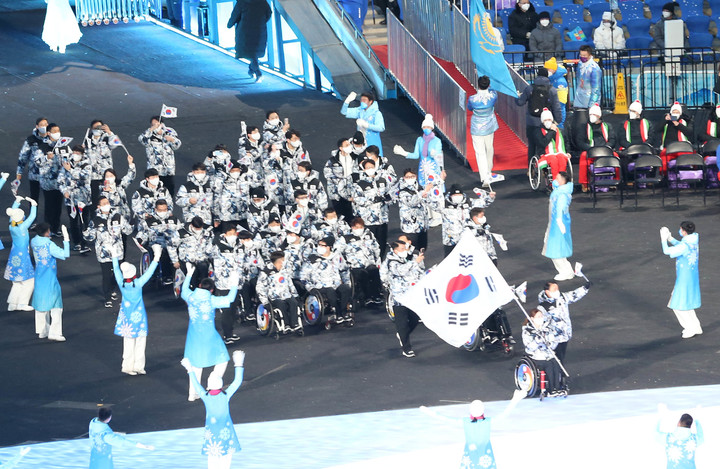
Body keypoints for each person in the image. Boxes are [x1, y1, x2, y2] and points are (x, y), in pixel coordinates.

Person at [419, 391, 526, 469]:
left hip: (475, 453)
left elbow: (446, 419)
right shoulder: (486, 421)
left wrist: (430, 412)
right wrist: (514, 400)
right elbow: (504, 414)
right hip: (482, 454)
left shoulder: (468, 422)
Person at [181, 263, 239, 401]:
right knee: (222, 358)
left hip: (193, 336)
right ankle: (212, 382)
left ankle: (193, 393)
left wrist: (189, 274)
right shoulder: (211, 300)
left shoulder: (190, 296)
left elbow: (183, 289)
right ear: (212, 290)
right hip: (209, 336)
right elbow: (229, 299)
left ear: (200, 286)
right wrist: (234, 284)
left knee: (195, 365)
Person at [181, 349, 245, 469]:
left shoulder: (206, 396)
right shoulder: (225, 395)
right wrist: (238, 364)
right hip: (226, 429)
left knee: (212, 455)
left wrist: (190, 370)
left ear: (208, 385)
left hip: (212, 431)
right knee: (227, 453)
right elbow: (237, 382)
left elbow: (196, 385)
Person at [112, 245, 162, 375]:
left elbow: (116, 269)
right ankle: (138, 366)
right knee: (140, 341)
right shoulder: (138, 284)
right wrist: (156, 256)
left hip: (126, 317)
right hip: (139, 317)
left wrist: (113, 255)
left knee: (128, 342)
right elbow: (149, 272)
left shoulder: (121, 282)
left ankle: (127, 366)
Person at [83, 197, 134, 308]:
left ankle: (112, 289)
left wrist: (132, 223)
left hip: (117, 251)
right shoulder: (95, 220)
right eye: (104, 203)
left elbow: (127, 231)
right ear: (99, 206)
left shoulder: (118, 217)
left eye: (107, 202)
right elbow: (90, 237)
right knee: (106, 275)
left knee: (118, 274)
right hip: (104, 252)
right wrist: (85, 232)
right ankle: (107, 297)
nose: (107, 204)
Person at [379, 240, 425, 358]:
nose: (405, 251)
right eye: (401, 249)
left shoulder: (406, 259)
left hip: (411, 295)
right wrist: (415, 262)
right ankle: (407, 348)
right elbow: (400, 271)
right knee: (402, 323)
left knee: (415, 319)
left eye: (405, 248)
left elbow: (416, 273)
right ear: (395, 251)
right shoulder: (391, 262)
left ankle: (403, 335)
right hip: (399, 297)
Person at [660, 222, 702, 339]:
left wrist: (664, 240)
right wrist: (671, 238)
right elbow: (681, 245)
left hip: (684, 279)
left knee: (677, 305)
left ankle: (690, 328)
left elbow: (667, 251)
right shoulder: (693, 240)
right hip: (691, 277)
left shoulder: (685, 245)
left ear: (683, 231)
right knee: (687, 303)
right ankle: (696, 326)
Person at [30, 223, 70, 341]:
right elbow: (65, 254)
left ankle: (42, 330)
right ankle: (55, 333)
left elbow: (41, 241)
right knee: (56, 306)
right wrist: (66, 239)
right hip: (50, 278)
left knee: (41, 303)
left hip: (39, 276)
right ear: (47, 232)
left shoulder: (33, 241)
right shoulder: (49, 244)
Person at [299, 236, 353, 321]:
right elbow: (303, 276)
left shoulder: (336, 256)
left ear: (329, 247)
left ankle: (343, 311)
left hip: (335, 284)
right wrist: (310, 287)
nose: (319, 247)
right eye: (319, 245)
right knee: (330, 291)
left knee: (345, 289)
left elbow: (344, 270)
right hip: (319, 286)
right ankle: (337, 313)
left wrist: (346, 282)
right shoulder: (312, 258)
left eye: (322, 245)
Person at [432, 184, 495, 257]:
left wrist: (490, 197)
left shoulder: (469, 202)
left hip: (466, 238)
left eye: (459, 194)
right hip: (450, 240)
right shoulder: (443, 204)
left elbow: (483, 203)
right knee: (450, 262)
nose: (457, 197)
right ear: (451, 195)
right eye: (455, 195)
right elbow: (432, 204)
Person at [537, 279, 589, 363]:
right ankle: (558, 373)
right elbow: (541, 323)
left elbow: (573, 295)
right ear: (547, 291)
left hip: (565, 334)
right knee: (556, 358)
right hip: (554, 338)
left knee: (561, 356)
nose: (557, 291)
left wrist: (584, 288)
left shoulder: (561, 297)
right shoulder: (543, 307)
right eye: (554, 289)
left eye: (557, 289)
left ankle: (559, 373)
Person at [516, 68, 562, 163]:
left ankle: (531, 170)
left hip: (531, 122)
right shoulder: (552, 90)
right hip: (546, 123)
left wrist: (517, 96)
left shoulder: (529, 88)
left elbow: (520, 102)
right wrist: (558, 120)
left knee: (532, 146)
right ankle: (546, 166)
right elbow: (556, 107)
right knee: (545, 144)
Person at [88, 407, 154, 469]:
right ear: (109, 418)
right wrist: (143, 446)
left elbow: (100, 433)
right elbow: (123, 441)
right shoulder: (106, 435)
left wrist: (114, 433)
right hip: (102, 461)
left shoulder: (93, 422)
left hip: (94, 457)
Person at [522, 306, 565, 396]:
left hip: (548, 355)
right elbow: (529, 347)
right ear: (532, 319)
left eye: (541, 316)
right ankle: (551, 389)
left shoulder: (546, 329)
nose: (541, 319)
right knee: (549, 364)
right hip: (536, 357)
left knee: (556, 363)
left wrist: (550, 343)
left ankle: (557, 388)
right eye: (538, 317)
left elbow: (554, 342)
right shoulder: (527, 331)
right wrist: (537, 341)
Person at [35, 122, 69, 236]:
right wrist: (46, 157)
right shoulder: (42, 147)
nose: (57, 133)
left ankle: (55, 228)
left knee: (58, 207)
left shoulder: (63, 145)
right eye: (54, 131)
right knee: (49, 207)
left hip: (60, 182)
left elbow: (70, 158)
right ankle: (47, 230)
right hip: (47, 183)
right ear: (48, 133)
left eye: (58, 131)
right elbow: (37, 162)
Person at [467, 76, 501, 187]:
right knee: (489, 148)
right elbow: (493, 91)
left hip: (477, 127)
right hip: (489, 126)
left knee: (480, 152)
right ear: (489, 85)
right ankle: (489, 171)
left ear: (478, 84)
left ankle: (485, 177)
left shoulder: (472, 99)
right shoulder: (493, 96)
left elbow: (470, 108)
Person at [57, 145, 92, 252]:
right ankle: (76, 242)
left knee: (84, 221)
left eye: (78, 153)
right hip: (70, 199)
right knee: (73, 221)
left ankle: (84, 243)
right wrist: (64, 191)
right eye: (74, 152)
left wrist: (71, 170)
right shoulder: (66, 164)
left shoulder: (86, 164)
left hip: (83, 198)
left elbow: (83, 176)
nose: (76, 155)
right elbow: (60, 180)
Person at [212, 223, 243, 344]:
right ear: (225, 234)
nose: (233, 235)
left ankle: (231, 332)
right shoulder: (218, 246)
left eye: (234, 233)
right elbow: (217, 266)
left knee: (233, 309)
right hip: (224, 284)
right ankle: (226, 335)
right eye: (230, 233)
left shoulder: (239, 244)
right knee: (226, 310)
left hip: (236, 283)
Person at [4, 196, 37, 312]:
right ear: (21, 218)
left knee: (17, 282)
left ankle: (12, 304)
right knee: (29, 281)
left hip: (14, 256)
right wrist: (33, 205)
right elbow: (32, 217)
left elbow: (12, 214)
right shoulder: (22, 227)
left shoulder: (11, 225)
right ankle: (22, 303)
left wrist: (17, 201)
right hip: (22, 256)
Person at [256, 251, 301, 332]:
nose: (284, 262)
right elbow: (260, 287)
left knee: (293, 302)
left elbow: (290, 283)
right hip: (274, 297)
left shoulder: (284, 270)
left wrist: (295, 295)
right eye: (282, 260)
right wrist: (264, 301)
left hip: (286, 294)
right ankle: (286, 324)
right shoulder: (265, 272)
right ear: (279, 261)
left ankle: (294, 324)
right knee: (281, 304)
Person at [228, 0, 272, 83]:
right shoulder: (262, 2)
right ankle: (251, 70)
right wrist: (260, 22)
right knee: (254, 51)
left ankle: (258, 73)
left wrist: (229, 24)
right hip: (259, 30)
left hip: (245, 32)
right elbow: (268, 13)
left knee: (250, 52)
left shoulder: (242, 2)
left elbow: (235, 15)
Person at [138, 116, 181, 196]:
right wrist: (151, 130)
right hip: (154, 169)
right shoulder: (148, 134)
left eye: (157, 124)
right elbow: (142, 140)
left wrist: (172, 140)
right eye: (153, 124)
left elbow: (177, 146)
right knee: (154, 192)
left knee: (169, 191)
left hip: (168, 169)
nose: (156, 126)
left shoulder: (170, 131)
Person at [542, 171, 574, 281]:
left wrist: (560, 222)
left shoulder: (562, 195)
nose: (555, 179)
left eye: (558, 178)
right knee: (554, 246)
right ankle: (567, 270)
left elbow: (560, 208)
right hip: (554, 223)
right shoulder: (561, 190)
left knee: (555, 248)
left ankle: (565, 271)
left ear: (562, 181)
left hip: (557, 224)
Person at [577, 103, 617, 190]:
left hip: (605, 150)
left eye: (593, 114)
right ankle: (585, 184)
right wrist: (590, 149)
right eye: (590, 114)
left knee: (616, 156)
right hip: (591, 150)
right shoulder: (584, 127)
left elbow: (612, 140)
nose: (591, 116)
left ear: (599, 115)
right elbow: (580, 141)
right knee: (583, 156)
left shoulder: (607, 126)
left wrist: (605, 148)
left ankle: (616, 181)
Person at [571, 45, 601, 152]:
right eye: (581, 55)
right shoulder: (580, 64)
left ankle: (591, 147)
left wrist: (592, 106)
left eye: (585, 55)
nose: (582, 57)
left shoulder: (595, 69)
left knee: (587, 127)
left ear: (590, 55)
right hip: (579, 100)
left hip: (589, 102)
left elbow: (596, 88)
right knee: (578, 127)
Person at [83, 120, 119, 206]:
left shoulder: (107, 137)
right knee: (94, 199)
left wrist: (109, 132)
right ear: (91, 129)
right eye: (95, 128)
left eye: (99, 127)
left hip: (106, 175)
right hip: (93, 176)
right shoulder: (87, 140)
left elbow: (116, 144)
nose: (98, 129)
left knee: (107, 197)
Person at [397, 168, 432, 252]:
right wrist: (424, 192)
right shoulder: (402, 191)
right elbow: (412, 202)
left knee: (422, 250)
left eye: (412, 176)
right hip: (410, 228)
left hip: (422, 226)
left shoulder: (419, 188)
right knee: (412, 251)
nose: (410, 178)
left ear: (416, 177)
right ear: (404, 178)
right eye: (408, 177)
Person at [16, 117, 49, 204]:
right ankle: (33, 216)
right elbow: (23, 156)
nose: (44, 126)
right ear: (37, 126)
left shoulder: (52, 139)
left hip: (49, 175)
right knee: (34, 198)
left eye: (46, 124)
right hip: (35, 174)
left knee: (50, 200)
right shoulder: (31, 140)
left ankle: (49, 217)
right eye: (41, 125)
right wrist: (19, 172)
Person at [341, 91, 386, 155]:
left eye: (364, 100)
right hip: (361, 143)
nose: (362, 102)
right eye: (361, 100)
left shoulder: (376, 113)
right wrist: (347, 101)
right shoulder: (360, 110)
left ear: (370, 102)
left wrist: (367, 125)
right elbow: (344, 112)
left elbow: (381, 127)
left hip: (372, 143)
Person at [324, 138, 356, 221]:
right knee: (339, 215)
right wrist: (340, 183)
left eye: (349, 144)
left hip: (349, 192)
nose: (349, 146)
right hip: (336, 193)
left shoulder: (354, 158)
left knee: (350, 215)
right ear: (340, 148)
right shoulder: (333, 160)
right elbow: (327, 174)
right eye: (346, 145)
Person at [537, 108, 571, 180]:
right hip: (545, 154)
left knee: (561, 159)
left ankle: (562, 180)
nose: (548, 122)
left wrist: (568, 152)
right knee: (554, 160)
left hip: (559, 152)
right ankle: (555, 181)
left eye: (549, 120)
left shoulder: (560, 130)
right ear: (542, 121)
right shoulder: (538, 131)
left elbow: (566, 142)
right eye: (545, 120)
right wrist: (551, 132)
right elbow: (543, 143)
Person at [544, 57, 568, 129]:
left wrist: (559, 123)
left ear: (553, 69)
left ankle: (560, 126)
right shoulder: (552, 78)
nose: (546, 71)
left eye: (548, 69)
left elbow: (561, 103)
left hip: (557, 108)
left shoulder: (560, 82)